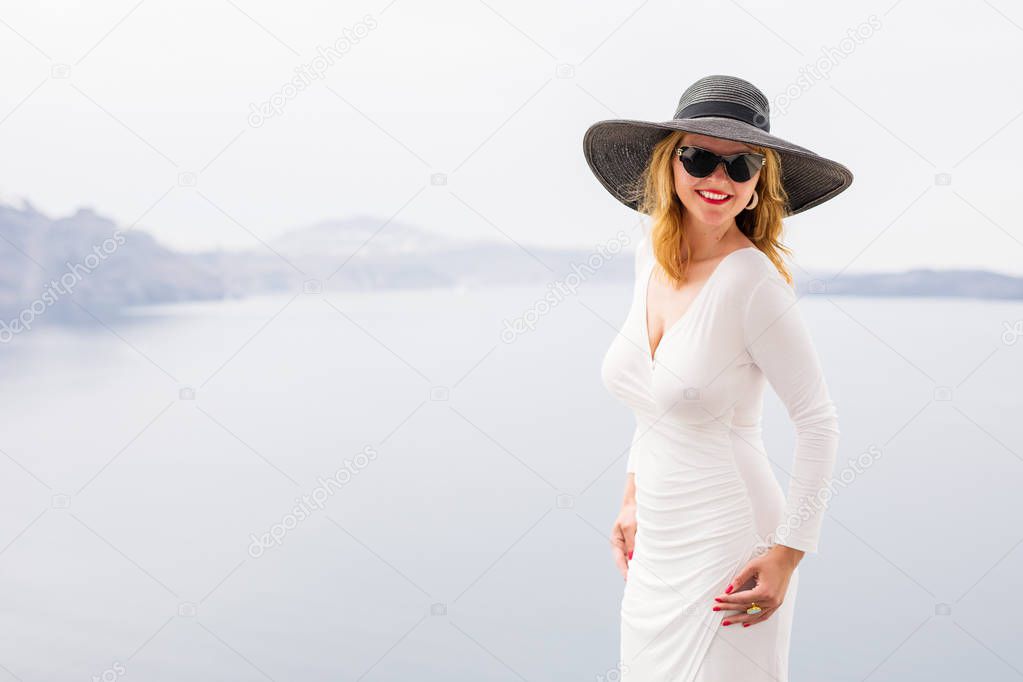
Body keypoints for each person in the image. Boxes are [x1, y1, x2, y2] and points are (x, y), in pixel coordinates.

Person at [584, 74, 853, 681]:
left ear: (759, 186)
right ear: (669, 164)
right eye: (700, 157)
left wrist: (787, 553)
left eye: (741, 167)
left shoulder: (753, 282)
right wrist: (631, 497)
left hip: (730, 537)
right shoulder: (649, 253)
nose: (718, 180)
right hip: (657, 539)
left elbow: (818, 422)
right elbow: (652, 400)